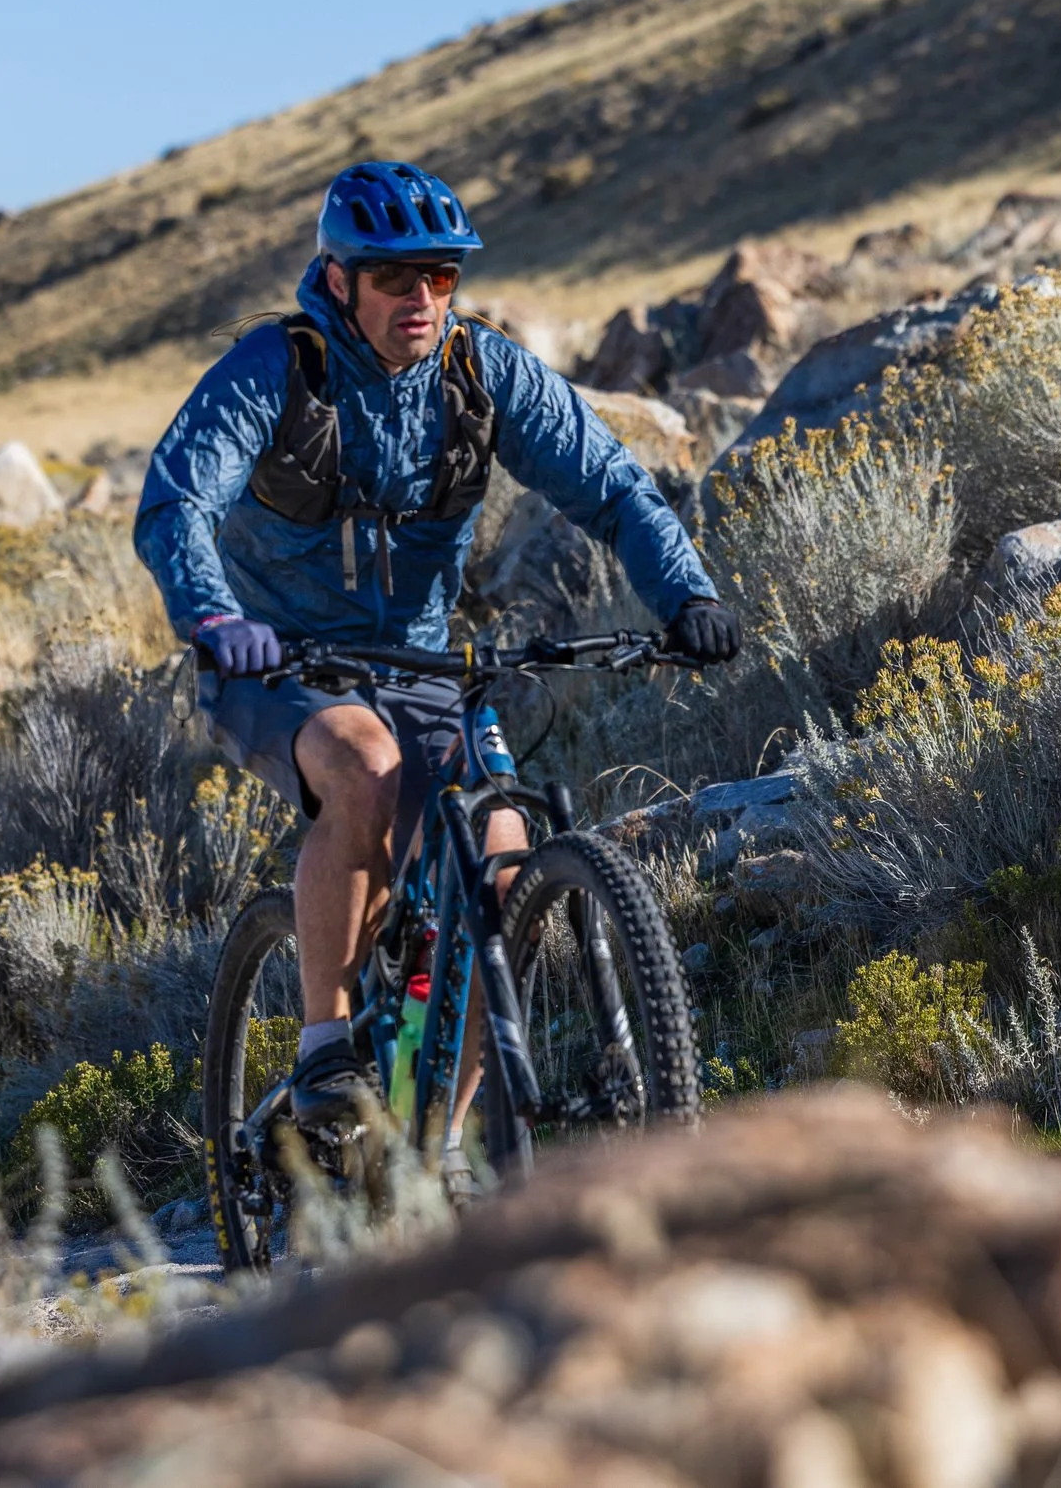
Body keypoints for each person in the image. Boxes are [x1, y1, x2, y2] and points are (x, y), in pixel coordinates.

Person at [133, 161, 738, 1135]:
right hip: (274, 664)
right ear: (339, 280)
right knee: (365, 767)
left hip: (416, 664)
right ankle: (327, 1050)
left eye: (441, 276)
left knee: (501, 855)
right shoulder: (273, 369)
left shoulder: (479, 371)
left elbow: (613, 486)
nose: (421, 298)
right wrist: (213, 618)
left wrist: (687, 594)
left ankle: (436, 1141)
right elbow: (176, 504)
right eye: (394, 278)